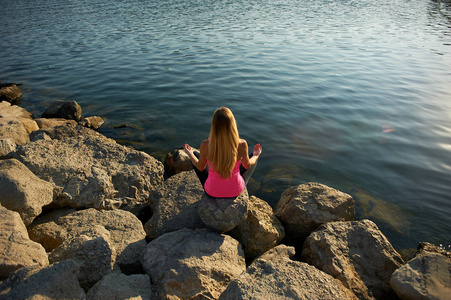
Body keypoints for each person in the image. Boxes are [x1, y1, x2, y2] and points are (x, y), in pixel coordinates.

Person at [184, 107, 262, 198]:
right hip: (235, 191)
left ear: (214, 125)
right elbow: (247, 165)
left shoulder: (205, 144)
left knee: (195, 155)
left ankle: (215, 184)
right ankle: (232, 183)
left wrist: (190, 154)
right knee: (252, 157)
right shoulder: (242, 144)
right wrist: (256, 156)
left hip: (212, 192)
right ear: (232, 124)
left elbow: (200, 167)